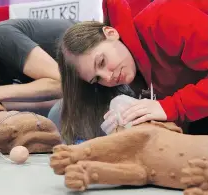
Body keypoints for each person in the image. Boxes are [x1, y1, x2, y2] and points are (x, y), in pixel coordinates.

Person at [54, 0, 208, 144]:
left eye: (102, 62)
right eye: (97, 79)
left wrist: (171, 107)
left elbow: (177, 107)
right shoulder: (133, 73)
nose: (108, 77)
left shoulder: (164, 18)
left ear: (110, 33)